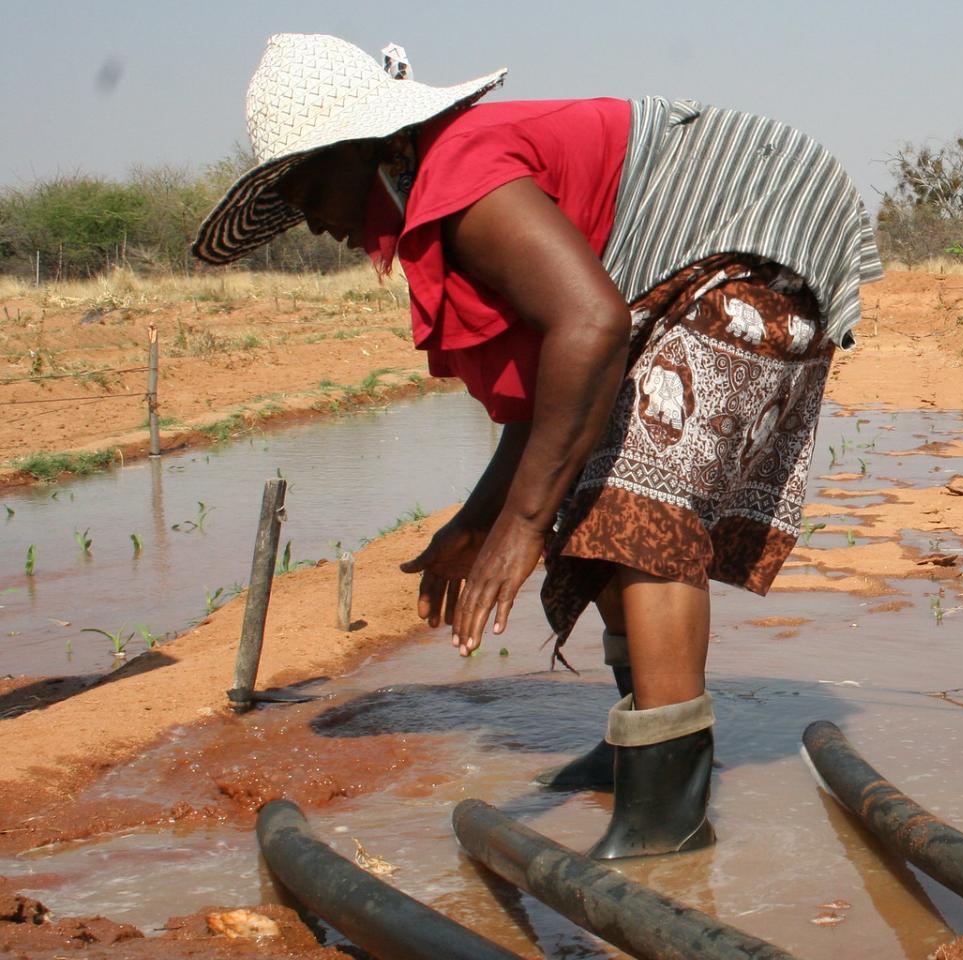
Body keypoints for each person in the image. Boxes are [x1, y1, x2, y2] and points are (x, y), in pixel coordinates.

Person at [193, 34, 882, 860]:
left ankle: (670, 809)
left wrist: (520, 527)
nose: (310, 219)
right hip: (682, 283)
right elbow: (553, 398)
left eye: (304, 187)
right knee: (580, 491)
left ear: (355, 147)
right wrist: (481, 519)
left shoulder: (462, 174)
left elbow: (590, 326)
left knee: (640, 504)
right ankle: (642, 746)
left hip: (763, 248)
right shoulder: (435, 188)